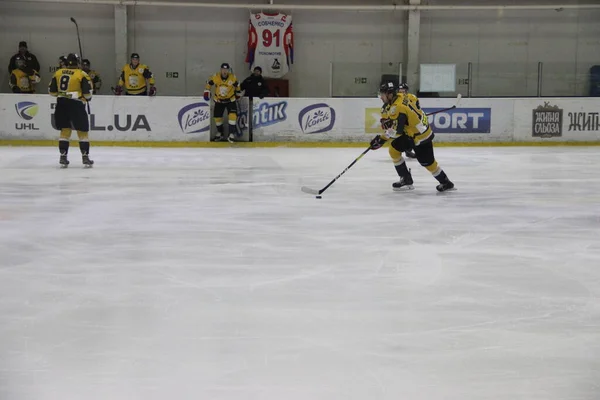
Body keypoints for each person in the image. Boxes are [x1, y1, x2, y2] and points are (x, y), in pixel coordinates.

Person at [369, 82, 455, 192]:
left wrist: (381, 140)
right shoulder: (403, 96)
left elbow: (397, 132)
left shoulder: (398, 107)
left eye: (383, 94)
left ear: (390, 95)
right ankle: (406, 179)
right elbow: (414, 103)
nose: (381, 97)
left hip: (421, 137)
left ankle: (446, 182)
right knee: (394, 149)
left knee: (428, 163)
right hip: (411, 133)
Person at [48, 53, 94, 168]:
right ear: (77, 62)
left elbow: (52, 92)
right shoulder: (81, 74)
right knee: (82, 130)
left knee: (65, 130)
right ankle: (85, 156)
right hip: (76, 104)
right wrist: (85, 98)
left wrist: (63, 94)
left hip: (61, 103)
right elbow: (88, 94)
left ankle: (63, 155)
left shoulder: (58, 73)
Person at [204, 63, 241, 142]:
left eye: (226, 70)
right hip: (219, 100)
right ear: (221, 70)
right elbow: (209, 83)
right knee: (217, 118)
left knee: (232, 116)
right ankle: (220, 133)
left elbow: (237, 85)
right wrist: (207, 91)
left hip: (230, 100)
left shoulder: (232, 77)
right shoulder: (215, 77)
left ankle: (231, 134)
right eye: (223, 69)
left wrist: (238, 92)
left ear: (228, 70)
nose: (224, 71)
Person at [397, 82, 417, 159]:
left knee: (412, 135)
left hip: (410, 120)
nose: (402, 92)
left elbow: (417, 108)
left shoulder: (412, 98)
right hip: (400, 120)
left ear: (406, 91)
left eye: (403, 90)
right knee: (400, 135)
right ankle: (402, 150)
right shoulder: (396, 98)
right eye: (400, 90)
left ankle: (408, 150)